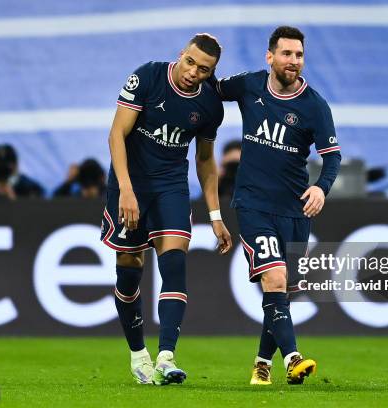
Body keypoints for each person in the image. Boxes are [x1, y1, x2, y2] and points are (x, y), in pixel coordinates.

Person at [100, 33, 232, 386]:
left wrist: (216, 216)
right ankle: (138, 354)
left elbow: (205, 161)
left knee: (174, 261)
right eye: (190, 62)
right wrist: (126, 191)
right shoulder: (147, 77)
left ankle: (166, 357)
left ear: (212, 71)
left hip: (171, 187)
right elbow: (116, 134)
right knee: (129, 270)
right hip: (130, 184)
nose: (194, 73)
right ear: (181, 56)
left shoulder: (210, 106)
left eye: (204, 70)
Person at [214, 26, 341, 385]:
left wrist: (321, 188)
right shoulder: (249, 85)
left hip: (296, 210)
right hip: (253, 204)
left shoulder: (314, 105)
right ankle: (292, 358)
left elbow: (332, 157)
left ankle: (261, 364)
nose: (293, 61)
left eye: (299, 55)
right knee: (276, 277)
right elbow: (210, 90)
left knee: (282, 290)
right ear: (270, 57)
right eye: (286, 54)